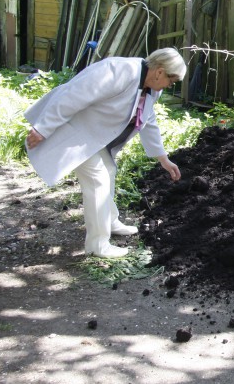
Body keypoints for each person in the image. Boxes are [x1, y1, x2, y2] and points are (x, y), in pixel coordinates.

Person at [24, 48, 187, 258]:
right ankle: (98, 245)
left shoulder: (151, 88)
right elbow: (73, 95)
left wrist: (162, 158)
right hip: (72, 128)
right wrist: (43, 128)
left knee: (108, 169)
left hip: (92, 135)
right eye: (171, 81)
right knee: (97, 179)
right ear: (159, 72)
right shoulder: (119, 71)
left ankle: (109, 221)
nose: (169, 86)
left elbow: (148, 120)